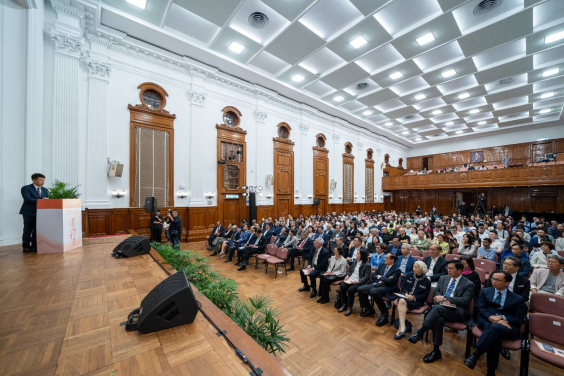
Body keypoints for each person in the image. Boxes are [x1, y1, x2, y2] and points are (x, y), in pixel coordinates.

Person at [407, 261, 475, 364]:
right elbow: (436, 291)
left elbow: (465, 300)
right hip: (441, 308)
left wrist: (446, 298)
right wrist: (442, 300)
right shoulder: (443, 278)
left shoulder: (469, 284)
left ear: (459, 271)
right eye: (448, 268)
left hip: (457, 312)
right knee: (438, 319)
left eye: (451, 268)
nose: (448, 270)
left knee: (436, 309)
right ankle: (436, 350)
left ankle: (420, 332)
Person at [464, 271, 527, 376]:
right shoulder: (486, 291)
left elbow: (520, 319)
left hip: (507, 326)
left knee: (494, 330)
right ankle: (490, 371)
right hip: (486, 320)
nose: (494, 282)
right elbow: (481, 308)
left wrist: (502, 317)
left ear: (507, 283)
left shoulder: (517, 299)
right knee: (494, 334)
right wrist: (491, 317)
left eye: (498, 280)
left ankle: (476, 354)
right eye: (493, 279)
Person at [358, 253, 400, 325]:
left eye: (387, 258)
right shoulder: (382, 265)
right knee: (360, 289)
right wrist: (383, 278)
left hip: (388, 287)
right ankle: (369, 309)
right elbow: (374, 275)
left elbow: (390, 281)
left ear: (392, 260)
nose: (384, 259)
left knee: (374, 292)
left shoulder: (396, 270)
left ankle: (384, 314)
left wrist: (380, 277)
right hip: (377, 284)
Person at [393, 261, 431, 339]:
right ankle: (403, 326)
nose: (413, 269)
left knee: (401, 303)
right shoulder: (409, 275)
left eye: (416, 267)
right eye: (413, 266)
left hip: (416, 302)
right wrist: (406, 293)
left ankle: (401, 328)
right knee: (402, 301)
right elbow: (403, 286)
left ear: (422, 269)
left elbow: (424, 296)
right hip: (405, 297)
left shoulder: (427, 281)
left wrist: (413, 297)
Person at [20, 173, 50, 253]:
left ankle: (35, 246)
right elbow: (27, 199)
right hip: (29, 212)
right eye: (41, 180)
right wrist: (41, 201)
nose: (43, 182)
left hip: (40, 213)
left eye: (43, 180)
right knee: (28, 230)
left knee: (37, 230)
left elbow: (46, 200)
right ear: (34, 180)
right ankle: (26, 246)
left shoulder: (44, 190)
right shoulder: (26, 188)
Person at [338, 249, 370, 316]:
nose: (356, 255)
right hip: (351, 279)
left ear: (362, 255)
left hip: (359, 281)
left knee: (351, 290)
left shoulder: (367, 265)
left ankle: (349, 307)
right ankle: (344, 303)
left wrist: (357, 281)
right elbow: (350, 271)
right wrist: (347, 276)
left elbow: (366, 277)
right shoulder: (355, 261)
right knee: (342, 286)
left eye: (358, 254)